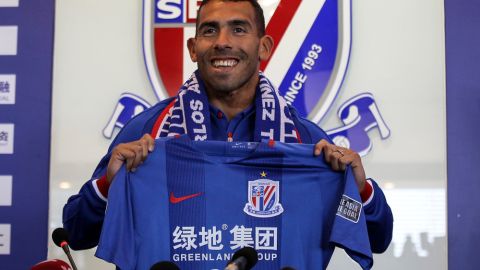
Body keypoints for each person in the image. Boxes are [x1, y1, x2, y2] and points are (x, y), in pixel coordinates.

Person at [63, 0, 392, 255]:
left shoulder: (304, 140)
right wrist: (108, 185)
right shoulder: (148, 130)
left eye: (238, 29)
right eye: (209, 31)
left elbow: (378, 238)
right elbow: (77, 233)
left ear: (264, 47)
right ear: (193, 49)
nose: (222, 42)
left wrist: (360, 189)